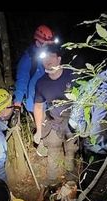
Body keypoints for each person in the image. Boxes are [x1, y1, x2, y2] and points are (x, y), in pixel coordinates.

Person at [33, 44, 78, 185]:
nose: (48, 60)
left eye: (51, 56)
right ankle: (52, 181)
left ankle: (70, 179)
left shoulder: (72, 76)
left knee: (70, 150)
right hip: (54, 120)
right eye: (44, 57)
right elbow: (39, 106)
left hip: (73, 120)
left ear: (59, 59)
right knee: (52, 148)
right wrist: (39, 130)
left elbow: (84, 100)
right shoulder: (41, 83)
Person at [13, 24, 57, 114]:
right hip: (35, 104)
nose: (49, 47)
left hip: (50, 101)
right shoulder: (28, 58)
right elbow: (22, 80)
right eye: (46, 44)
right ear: (37, 43)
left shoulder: (51, 55)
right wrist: (17, 103)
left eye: (50, 44)